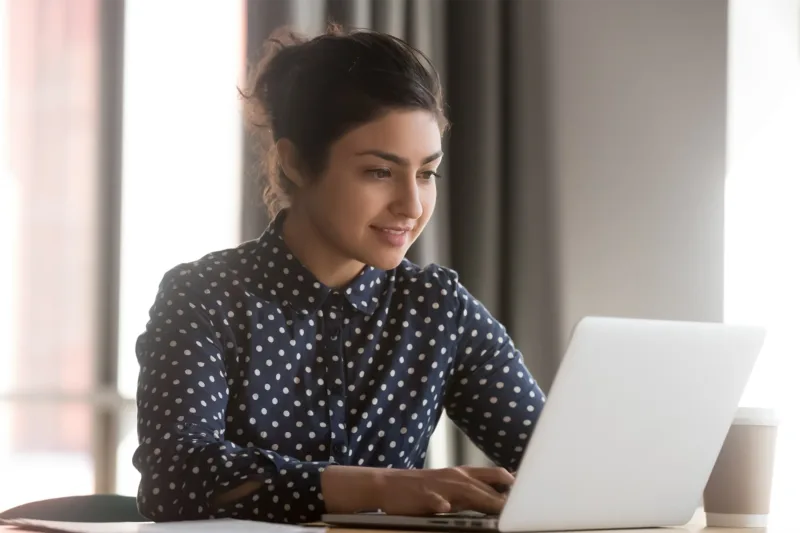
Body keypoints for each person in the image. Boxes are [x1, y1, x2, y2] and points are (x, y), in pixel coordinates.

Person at [132, 25, 545, 524]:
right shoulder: (204, 296)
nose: (411, 206)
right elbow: (175, 479)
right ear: (297, 163)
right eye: (379, 171)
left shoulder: (439, 308)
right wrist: (382, 486)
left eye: (426, 173)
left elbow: (556, 464)